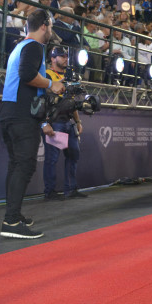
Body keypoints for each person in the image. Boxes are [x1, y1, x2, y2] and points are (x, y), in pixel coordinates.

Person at [0, 9, 65, 239]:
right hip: (21, 115)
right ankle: (11, 221)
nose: (51, 31)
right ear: (44, 26)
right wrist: (50, 84)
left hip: (9, 112)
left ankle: (13, 215)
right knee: (24, 166)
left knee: (16, 166)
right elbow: (27, 74)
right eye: (51, 26)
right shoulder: (34, 46)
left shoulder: (19, 46)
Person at [42, 46, 86, 201]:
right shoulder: (47, 74)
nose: (66, 59)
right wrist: (61, 82)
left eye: (66, 56)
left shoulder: (70, 76)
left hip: (68, 121)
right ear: (53, 58)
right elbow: (44, 96)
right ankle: (50, 191)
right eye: (62, 56)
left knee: (73, 155)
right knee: (52, 158)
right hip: (55, 121)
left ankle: (71, 189)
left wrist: (78, 121)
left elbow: (71, 101)